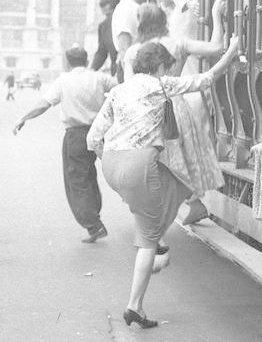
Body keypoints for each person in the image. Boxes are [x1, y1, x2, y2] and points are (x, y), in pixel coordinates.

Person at [88, 37, 239, 329]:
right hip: (139, 165)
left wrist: (111, 161)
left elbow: (92, 138)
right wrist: (231, 51)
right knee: (147, 240)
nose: (165, 71)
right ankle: (135, 305)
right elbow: (206, 79)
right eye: (164, 67)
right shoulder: (161, 85)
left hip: (111, 164)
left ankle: (154, 236)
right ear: (158, 66)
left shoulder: (118, 91)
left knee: (180, 182)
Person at [121, 0, 228, 226]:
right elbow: (217, 47)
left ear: (140, 24)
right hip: (177, 108)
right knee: (183, 160)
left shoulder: (132, 52)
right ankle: (191, 201)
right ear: (163, 21)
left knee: (153, 162)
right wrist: (216, 15)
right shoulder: (178, 43)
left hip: (147, 112)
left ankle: (156, 214)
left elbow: (129, 88)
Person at [13, 46, 116, 243]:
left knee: (77, 180)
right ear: (86, 61)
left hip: (75, 135)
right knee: (89, 175)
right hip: (98, 133)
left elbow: (44, 104)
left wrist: (23, 118)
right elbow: (120, 87)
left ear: (68, 62)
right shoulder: (99, 78)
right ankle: (95, 216)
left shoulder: (63, 81)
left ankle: (94, 224)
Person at [112, 0, 145, 83]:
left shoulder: (129, 7)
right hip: (131, 68)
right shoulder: (127, 9)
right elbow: (124, 46)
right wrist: (129, 78)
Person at [91, 0, 120, 75]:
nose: (110, 19)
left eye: (110, 14)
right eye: (107, 15)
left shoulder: (127, 21)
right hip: (116, 73)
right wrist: (90, 70)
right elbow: (101, 53)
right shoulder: (103, 26)